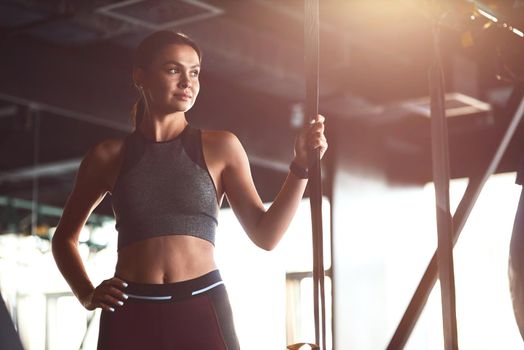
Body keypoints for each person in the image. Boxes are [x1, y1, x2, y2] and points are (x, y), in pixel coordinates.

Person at [51, 30, 327, 350]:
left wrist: (301, 167)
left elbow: (266, 236)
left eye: (194, 72)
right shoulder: (108, 156)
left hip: (201, 307)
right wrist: (86, 294)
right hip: (130, 312)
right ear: (140, 76)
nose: (187, 82)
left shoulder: (221, 147)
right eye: (173, 70)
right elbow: (64, 238)